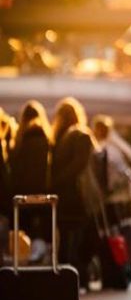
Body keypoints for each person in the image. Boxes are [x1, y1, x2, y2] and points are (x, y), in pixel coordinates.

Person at [50, 97, 98, 281]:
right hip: (78, 198)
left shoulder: (58, 139)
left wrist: (55, 183)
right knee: (79, 240)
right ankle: (79, 279)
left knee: (65, 242)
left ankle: (65, 279)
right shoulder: (82, 136)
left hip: (62, 198)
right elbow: (80, 165)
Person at [8, 101, 53, 253]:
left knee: (23, 231)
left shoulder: (20, 141)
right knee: (39, 233)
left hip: (21, 193)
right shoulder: (47, 140)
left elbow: (14, 168)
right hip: (43, 193)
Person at [92, 115, 131, 222]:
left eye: (95, 128)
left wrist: (111, 188)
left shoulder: (106, 150)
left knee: (117, 232)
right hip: (118, 198)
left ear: (99, 130)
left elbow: (123, 172)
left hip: (114, 199)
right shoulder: (113, 148)